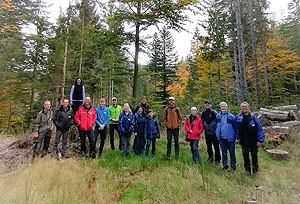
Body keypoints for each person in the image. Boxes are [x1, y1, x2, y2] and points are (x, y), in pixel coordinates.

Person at [236, 102, 265, 175]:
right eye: (242, 107)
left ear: (249, 107)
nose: (244, 108)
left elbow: (259, 129)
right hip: (243, 141)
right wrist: (238, 137)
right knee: (245, 156)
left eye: (245, 106)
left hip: (253, 141)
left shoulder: (253, 117)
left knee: (254, 156)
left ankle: (255, 171)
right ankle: (247, 171)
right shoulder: (239, 117)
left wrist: (260, 140)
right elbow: (236, 128)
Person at [216, 102, 237, 171]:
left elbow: (236, 127)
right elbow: (216, 126)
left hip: (230, 138)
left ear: (227, 107)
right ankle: (225, 165)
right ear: (220, 108)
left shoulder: (232, 117)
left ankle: (233, 166)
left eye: (224, 106)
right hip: (222, 138)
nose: (223, 108)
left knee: (232, 152)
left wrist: (236, 136)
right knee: (224, 152)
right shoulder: (218, 116)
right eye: (221, 106)